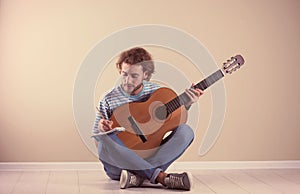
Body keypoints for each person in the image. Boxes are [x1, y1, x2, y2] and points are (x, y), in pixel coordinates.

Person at [92, 47, 203, 190]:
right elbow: (98, 141)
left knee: (186, 132)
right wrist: (102, 128)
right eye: (124, 74)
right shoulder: (108, 99)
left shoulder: (158, 93)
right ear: (120, 70)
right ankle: (160, 177)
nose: (127, 80)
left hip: (149, 158)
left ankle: (139, 177)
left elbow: (173, 121)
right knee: (104, 142)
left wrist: (187, 104)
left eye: (134, 76)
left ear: (145, 74)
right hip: (118, 167)